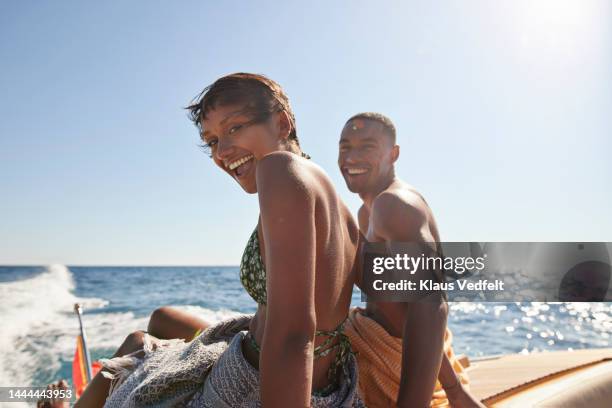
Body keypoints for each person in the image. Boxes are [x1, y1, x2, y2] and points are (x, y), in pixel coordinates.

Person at [70, 73, 363, 407]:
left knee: (136, 346)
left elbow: (293, 335)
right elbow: (404, 292)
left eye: (235, 128)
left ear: (282, 123)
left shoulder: (279, 170)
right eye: (211, 141)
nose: (222, 151)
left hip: (249, 387)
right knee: (160, 321)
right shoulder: (339, 206)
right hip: (329, 382)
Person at [338, 112, 484, 408]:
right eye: (345, 147)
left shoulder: (393, 205)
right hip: (381, 345)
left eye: (367, 146)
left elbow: (431, 303)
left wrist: (453, 393)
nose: (352, 157)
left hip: (392, 366)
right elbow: (399, 306)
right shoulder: (367, 213)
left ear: (393, 154)